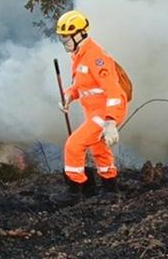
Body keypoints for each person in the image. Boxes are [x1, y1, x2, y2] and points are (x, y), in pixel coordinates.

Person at [56, 10, 127, 199]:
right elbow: (82, 86)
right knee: (99, 148)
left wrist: (110, 122)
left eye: (67, 38)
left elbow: (113, 92)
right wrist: (69, 96)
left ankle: (74, 191)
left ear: (80, 34)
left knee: (74, 145)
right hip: (94, 112)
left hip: (104, 113)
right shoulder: (79, 56)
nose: (65, 42)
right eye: (62, 39)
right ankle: (110, 189)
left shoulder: (96, 57)